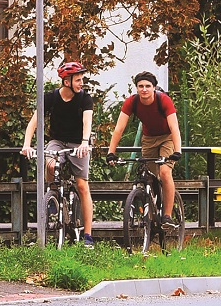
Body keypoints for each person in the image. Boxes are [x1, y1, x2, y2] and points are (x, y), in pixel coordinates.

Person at [22, 60, 95, 246]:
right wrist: (27, 145)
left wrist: (84, 143)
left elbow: (87, 123)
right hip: (57, 141)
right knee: (50, 162)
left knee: (82, 185)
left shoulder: (85, 98)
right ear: (66, 82)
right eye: (78, 80)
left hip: (79, 143)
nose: (81, 83)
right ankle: (53, 193)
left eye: (81, 79)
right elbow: (34, 121)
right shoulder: (51, 97)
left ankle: (88, 235)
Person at [105, 71, 183, 224]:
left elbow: (174, 128)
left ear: (154, 88)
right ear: (136, 88)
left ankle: (167, 215)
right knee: (150, 175)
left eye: (148, 86)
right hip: (148, 139)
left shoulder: (164, 101)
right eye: (140, 86)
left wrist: (177, 150)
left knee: (165, 172)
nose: (144, 89)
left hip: (167, 137)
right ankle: (152, 213)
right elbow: (119, 129)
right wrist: (111, 152)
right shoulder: (132, 102)